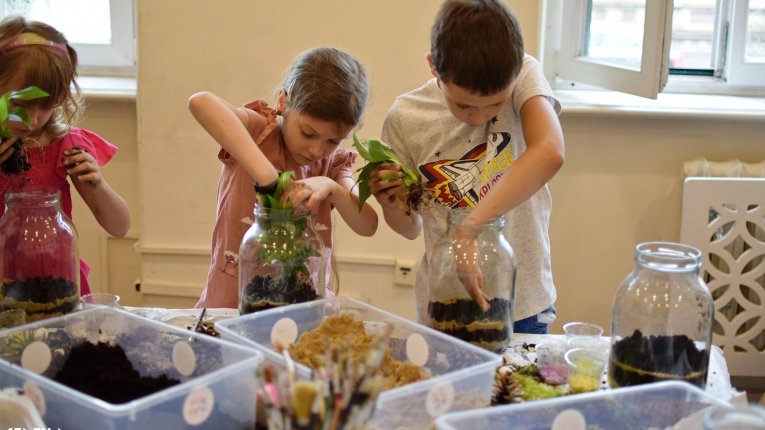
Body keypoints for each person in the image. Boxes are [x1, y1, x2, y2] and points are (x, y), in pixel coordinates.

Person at [370, 0, 565, 334]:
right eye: (463, 104)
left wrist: (467, 229)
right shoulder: (406, 118)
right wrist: (389, 200)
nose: (479, 117)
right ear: (434, 67)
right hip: (445, 301)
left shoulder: (523, 74)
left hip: (522, 300)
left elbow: (550, 151)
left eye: (496, 104)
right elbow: (410, 228)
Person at [188, 46, 378, 309]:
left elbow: (367, 225)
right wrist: (268, 177)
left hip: (302, 304)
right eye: (308, 133)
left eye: (333, 140)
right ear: (283, 101)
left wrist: (331, 186)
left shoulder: (332, 165)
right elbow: (200, 102)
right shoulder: (258, 132)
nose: (317, 150)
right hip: (232, 302)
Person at [0, 16, 131, 296]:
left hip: (56, 281)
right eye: (21, 106)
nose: (34, 120)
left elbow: (119, 226)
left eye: (46, 106)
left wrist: (98, 183)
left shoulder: (66, 145)